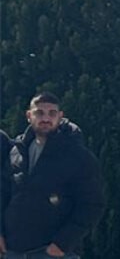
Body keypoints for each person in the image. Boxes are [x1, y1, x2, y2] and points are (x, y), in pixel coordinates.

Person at [1, 93, 106, 258]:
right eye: (39, 113)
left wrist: (62, 244)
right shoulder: (16, 152)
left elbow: (92, 204)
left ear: (60, 116)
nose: (46, 118)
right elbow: (3, 194)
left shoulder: (77, 156)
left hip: (54, 253)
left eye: (52, 113)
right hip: (13, 251)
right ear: (29, 115)